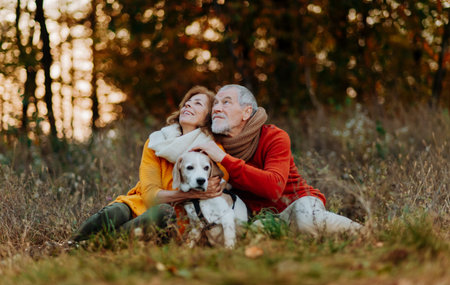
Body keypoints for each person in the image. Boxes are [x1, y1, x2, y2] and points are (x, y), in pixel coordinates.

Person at [194, 84, 362, 236]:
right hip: (262, 218)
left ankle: (363, 232)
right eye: (215, 103)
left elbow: (273, 188)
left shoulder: (273, 136)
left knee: (306, 222)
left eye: (226, 102)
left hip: (297, 202)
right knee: (248, 236)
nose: (217, 108)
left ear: (246, 112)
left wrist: (224, 159)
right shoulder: (213, 144)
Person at [71, 86, 227, 242]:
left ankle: (93, 245)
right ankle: (70, 244)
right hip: (140, 203)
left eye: (198, 103)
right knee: (116, 211)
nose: (188, 105)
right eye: (187, 102)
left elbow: (217, 184)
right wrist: (191, 194)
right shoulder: (157, 142)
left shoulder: (212, 149)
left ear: (208, 117)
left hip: (176, 216)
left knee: (163, 211)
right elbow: (150, 195)